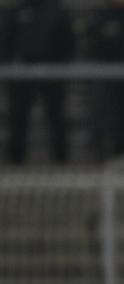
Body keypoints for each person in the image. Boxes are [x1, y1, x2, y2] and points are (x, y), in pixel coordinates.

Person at [2, 0, 75, 164]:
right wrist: (11, 65)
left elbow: (68, 40)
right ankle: (15, 161)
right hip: (22, 74)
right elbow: (6, 40)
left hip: (52, 73)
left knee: (56, 117)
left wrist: (59, 65)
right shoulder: (19, 10)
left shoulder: (57, 10)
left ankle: (61, 161)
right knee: (18, 118)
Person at [85, 0, 124, 161]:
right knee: (101, 118)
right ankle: (99, 157)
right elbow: (94, 43)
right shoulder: (101, 16)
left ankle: (123, 156)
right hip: (104, 76)